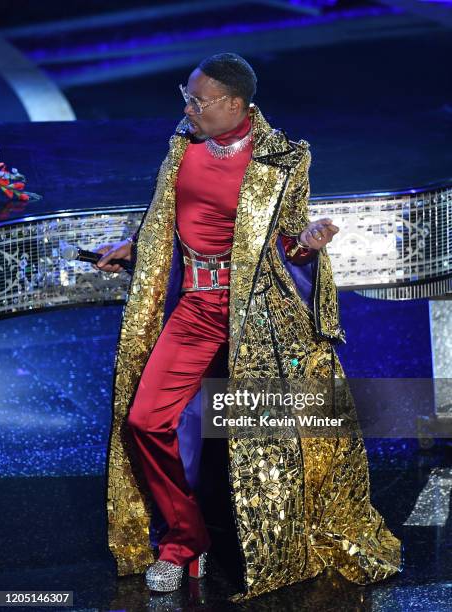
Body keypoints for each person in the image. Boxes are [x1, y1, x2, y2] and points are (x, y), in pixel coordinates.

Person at [96, 53, 402, 602]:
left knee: (264, 441)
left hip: (255, 316)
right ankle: (184, 540)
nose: (188, 108)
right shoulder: (182, 146)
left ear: (234, 104)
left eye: (198, 100)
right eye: (185, 96)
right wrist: (135, 248)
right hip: (195, 307)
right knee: (144, 421)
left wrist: (305, 245)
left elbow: (286, 239)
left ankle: (276, 542)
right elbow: (165, 215)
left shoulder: (281, 158)